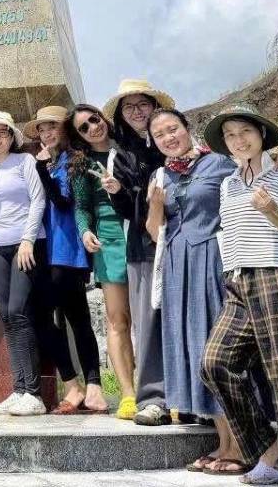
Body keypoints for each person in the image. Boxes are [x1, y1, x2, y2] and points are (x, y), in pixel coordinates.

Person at [201, 104, 278, 486]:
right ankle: (268, 446)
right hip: (238, 283)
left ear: (262, 134)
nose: (238, 140)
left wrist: (275, 214)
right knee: (215, 364)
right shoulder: (228, 184)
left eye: (245, 131)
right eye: (230, 135)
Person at [144, 107, 243, 475]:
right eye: (160, 135)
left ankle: (242, 444)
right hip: (177, 267)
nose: (168, 138)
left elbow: (250, 185)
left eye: (173, 129)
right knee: (196, 350)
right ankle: (223, 442)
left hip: (213, 261)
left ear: (187, 128)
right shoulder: (161, 175)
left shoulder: (219, 163)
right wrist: (156, 204)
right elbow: (154, 231)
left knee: (219, 349)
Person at [101, 78, 175, 426]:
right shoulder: (119, 154)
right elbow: (125, 210)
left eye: (142, 104)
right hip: (143, 246)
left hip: (184, 241)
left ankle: (188, 397)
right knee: (146, 323)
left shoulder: (173, 141)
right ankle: (153, 398)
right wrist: (119, 192)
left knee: (185, 319)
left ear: (155, 107)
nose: (136, 111)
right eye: (128, 107)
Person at [24, 106, 106, 414]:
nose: (46, 134)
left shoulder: (75, 161)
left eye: (52, 127)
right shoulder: (50, 161)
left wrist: (42, 171)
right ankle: (79, 385)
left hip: (68, 249)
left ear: (65, 129)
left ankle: (88, 387)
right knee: (53, 316)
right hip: (46, 250)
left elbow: (65, 202)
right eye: (42, 129)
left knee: (74, 318)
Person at [0, 110, 48, 417]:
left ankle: (34, 394)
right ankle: (19, 389)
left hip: (25, 245)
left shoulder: (24, 161)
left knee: (19, 312)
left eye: (3, 132)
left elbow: (38, 200)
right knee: (8, 317)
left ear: (12, 137)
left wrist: (28, 239)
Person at [65, 103, 137, 419]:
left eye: (94, 119)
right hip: (108, 239)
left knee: (150, 317)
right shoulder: (83, 165)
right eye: (83, 127)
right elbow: (81, 206)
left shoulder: (131, 147)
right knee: (118, 319)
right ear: (78, 136)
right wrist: (84, 231)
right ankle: (128, 394)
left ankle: (158, 391)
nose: (93, 127)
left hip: (141, 230)